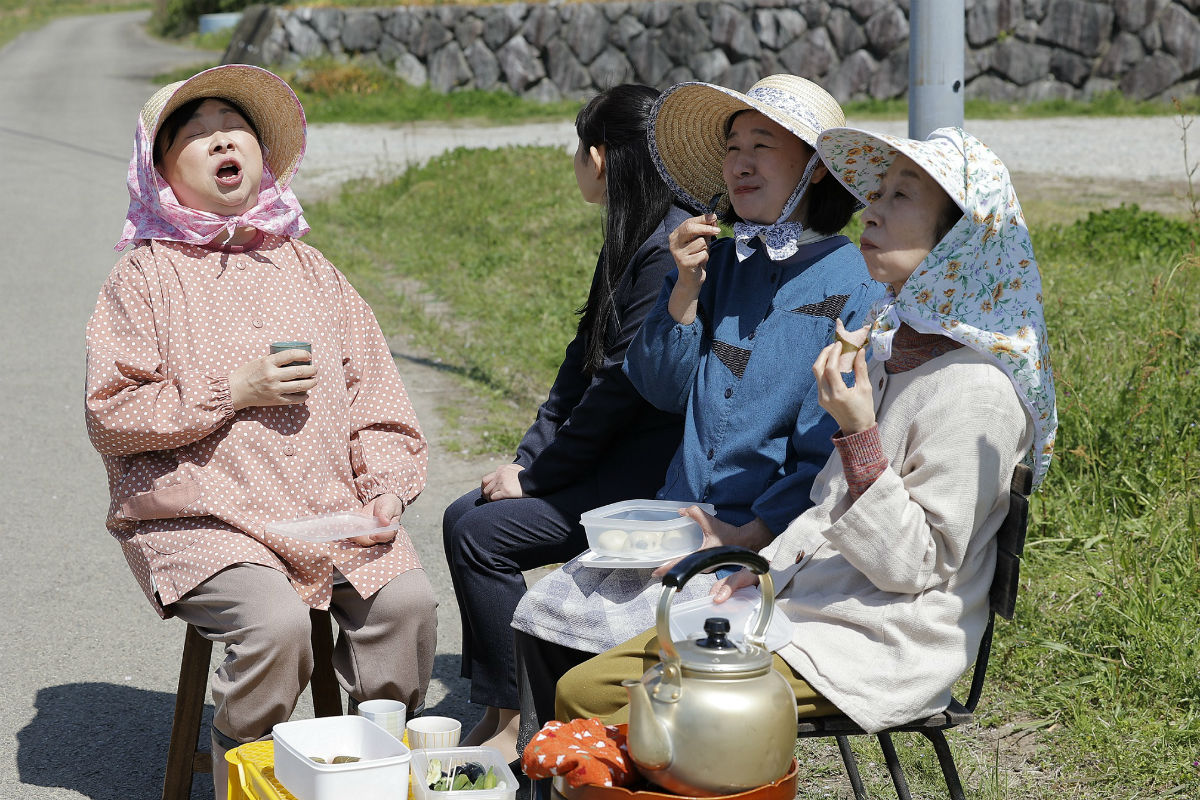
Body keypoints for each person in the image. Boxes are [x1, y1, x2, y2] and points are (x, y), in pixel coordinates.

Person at [554, 126, 1058, 737]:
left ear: (959, 240)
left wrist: (860, 433)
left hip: (879, 644)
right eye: (878, 194)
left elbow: (914, 565)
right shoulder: (890, 351)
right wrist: (766, 566)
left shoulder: (976, 391)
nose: (871, 210)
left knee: (601, 701)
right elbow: (826, 503)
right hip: (809, 605)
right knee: (584, 685)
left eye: (901, 198)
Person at [84, 65, 436, 797]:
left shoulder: (312, 270)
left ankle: (370, 766)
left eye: (234, 128)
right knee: (276, 627)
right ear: (161, 173)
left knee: (407, 607)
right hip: (205, 516)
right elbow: (111, 413)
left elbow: (378, 401)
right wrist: (231, 390)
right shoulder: (143, 279)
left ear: (262, 154)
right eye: (198, 134)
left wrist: (386, 491)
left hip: (326, 505)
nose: (222, 142)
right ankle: (244, 771)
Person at [511, 75, 885, 734]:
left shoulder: (852, 285)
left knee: (605, 672)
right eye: (733, 146)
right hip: (676, 521)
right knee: (545, 614)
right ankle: (570, 770)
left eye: (763, 146)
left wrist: (748, 532)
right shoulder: (724, 264)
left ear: (818, 169)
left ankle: (621, 767)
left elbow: (821, 452)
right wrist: (683, 291)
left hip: (760, 548)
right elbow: (662, 387)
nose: (740, 162)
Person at [440, 84, 688, 761]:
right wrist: (525, 464)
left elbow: (617, 393)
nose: (574, 163)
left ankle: (513, 720)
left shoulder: (668, 247)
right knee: (467, 516)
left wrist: (541, 477)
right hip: (605, 463)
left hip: (644, 483)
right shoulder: (634, 236)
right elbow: (579, 365)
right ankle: (499, 708)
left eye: (577, 150)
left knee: (482, 534)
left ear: (600, 157)